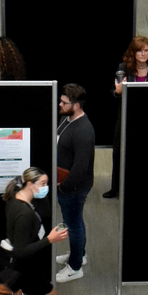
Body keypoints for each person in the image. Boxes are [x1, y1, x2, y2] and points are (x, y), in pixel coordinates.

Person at [0, 170, 68, 295]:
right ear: (30, 184)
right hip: (28, 268)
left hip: (20, 268)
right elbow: (21, 250)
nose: (46, 188)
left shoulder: (14, 201)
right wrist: (50, 239)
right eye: (43, 184)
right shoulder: (25, 214)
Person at [106, 35, 148, 198]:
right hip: (127, 115)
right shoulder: (123, 68)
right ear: (133, 53)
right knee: (119, 151)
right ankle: (116, 188)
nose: (143, 54)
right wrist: (118, 92)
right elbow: (113, 92)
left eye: (146, 50)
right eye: (140, 51)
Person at [55, 84, 94, 282]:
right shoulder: (66, 119)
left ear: (76, 105)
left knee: (73, 225)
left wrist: (64, 187)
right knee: (76, 221)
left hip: (73, 188)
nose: (60, 104)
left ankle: (75, 267)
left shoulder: (84, 131)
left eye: (64, 102)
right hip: (66, 184)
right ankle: (79, 254)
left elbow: (80, 167)